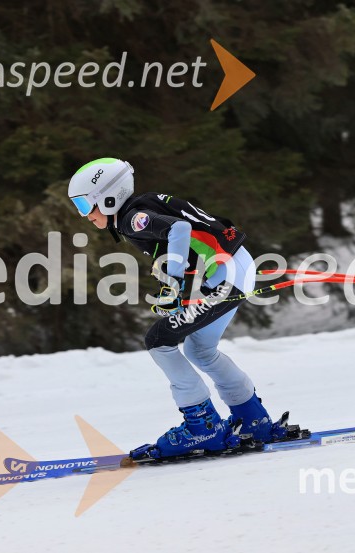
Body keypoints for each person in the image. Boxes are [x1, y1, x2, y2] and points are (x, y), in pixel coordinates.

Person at [67, 157, 288, 459]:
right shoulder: (139, 207)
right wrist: (178, 286)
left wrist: (173, 281)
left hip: (227, 274)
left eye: (84, 205)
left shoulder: (133, 218)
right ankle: (253, 421)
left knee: (158, 340)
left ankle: (203, 428)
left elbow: (180, 229)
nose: (85, 215)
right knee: (200, 350)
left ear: (107, 198)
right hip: (231, 268)